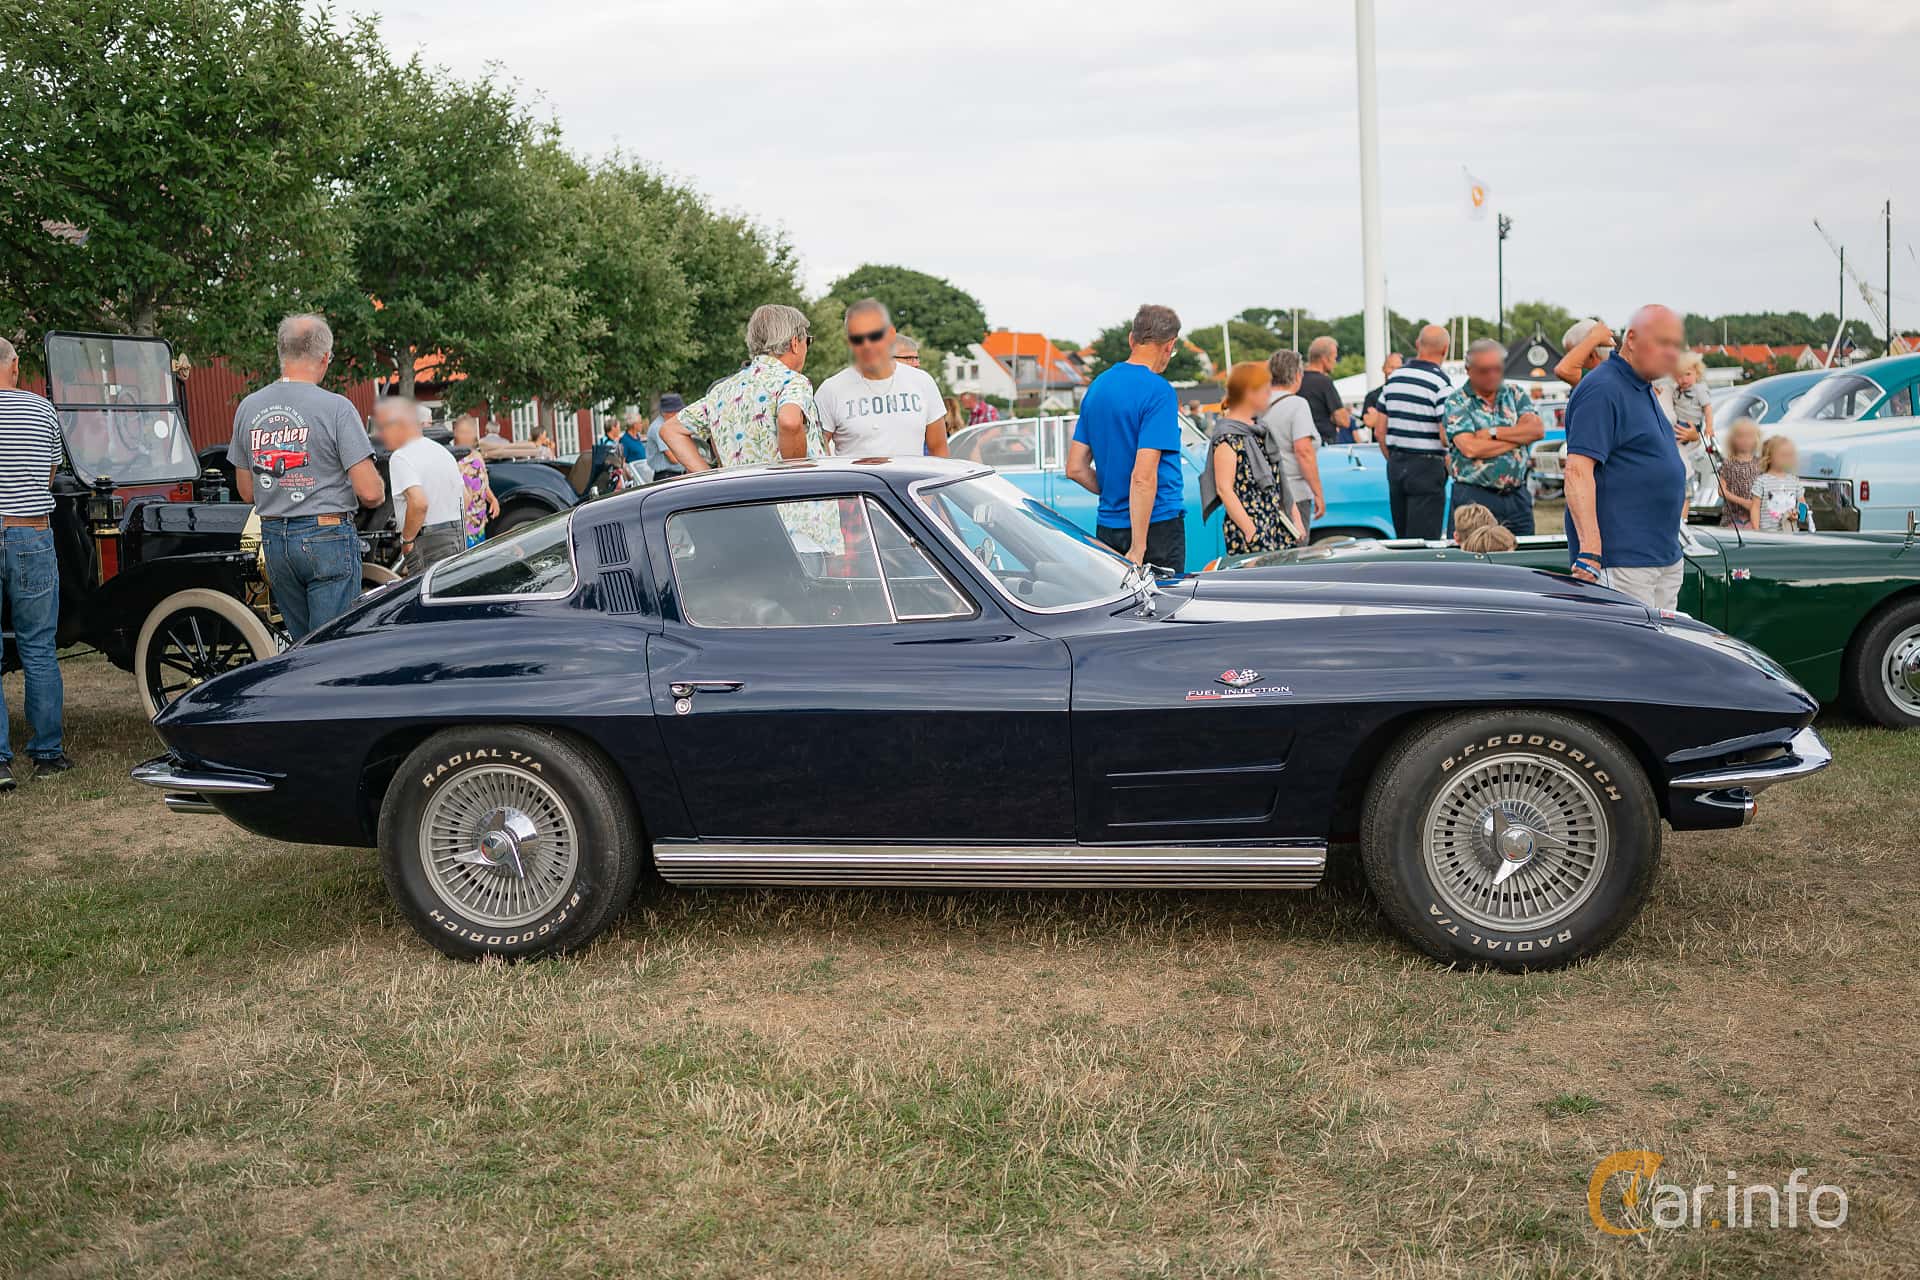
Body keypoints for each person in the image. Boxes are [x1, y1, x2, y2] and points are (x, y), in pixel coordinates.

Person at [228, 314, 384, 639]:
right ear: (325, 357)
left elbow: (246, 491)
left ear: (281, 352)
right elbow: (370, 493)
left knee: (303, 648)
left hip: (273, 539)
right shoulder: (337, 407)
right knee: (332, 648)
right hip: (325, 535)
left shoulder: (248, 407)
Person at [1564, 304, 1689, 609]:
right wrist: (1591, 549)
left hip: (1661, 555)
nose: (1671, 353)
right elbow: (1578, 471)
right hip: (1622, 561)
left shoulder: (1642, 386)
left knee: (1659, 653)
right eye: (1662, 343)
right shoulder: (1603, 388)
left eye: (1675, 345)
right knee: (1631, 654)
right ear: (1631, 339)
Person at [1064, 304, 1185, 569]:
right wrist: (1139, 547)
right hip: (1154, 528)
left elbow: (1075, 468)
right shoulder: (1159, 392)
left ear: (1132, 339)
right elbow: (1143, 476)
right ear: (1169, 345)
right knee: (1162, 607)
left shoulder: (1097, 387)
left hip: (1108, 525)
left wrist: (1112, 490)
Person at [0, 337, 71, 786]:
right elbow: (50, 472)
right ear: (14, 365)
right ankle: (47, 754)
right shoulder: (41, 410)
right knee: (39, 648)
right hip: (32, 533)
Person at [662, 303, 820, 471]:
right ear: (795, 343)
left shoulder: (721, 391)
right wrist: (798, 474)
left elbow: (671, 430)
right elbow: (789, 421)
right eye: (807, 341)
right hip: (791, 495)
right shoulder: (792, 382)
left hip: (740, 496)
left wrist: (710, 479)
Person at [815, 299, 950, 458]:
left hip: (912, 482)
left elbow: (939, 451)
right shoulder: (831, 389)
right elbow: (817, 455)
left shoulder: (922, 382)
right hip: (857, 483)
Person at [1443, 338, 1546, 535]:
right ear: (1469, 370)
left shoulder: (1515, 394)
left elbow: (1536, 431)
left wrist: (1493, 433)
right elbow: (1470, 448)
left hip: (1517, 496)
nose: (1492, 375)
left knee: (1522, 559)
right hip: (1474, 498)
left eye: (1497, 369)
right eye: (1484, 370)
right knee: (1473, 560)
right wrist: (1518, 439)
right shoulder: (1456, 402)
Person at [1204, 361, 1295, 555]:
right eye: (1264, 390)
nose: (1269, 394)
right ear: (1249, 393)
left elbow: (1280, 480)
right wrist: (1251, 532)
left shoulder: (1260, 431)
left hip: (1274, 525)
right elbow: (1224, 489)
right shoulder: (1228, 436)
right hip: (1250, 531)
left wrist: (1294, 517)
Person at [374, 397, 465, 577]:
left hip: (428, 539)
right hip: (456, 533)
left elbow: (419, 503)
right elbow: (465, 496)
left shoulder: (401, 457)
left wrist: (406, 541)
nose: (381, 435)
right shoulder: (441, 451)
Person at [1378, 324, 1454, 539]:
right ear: (1445, 349)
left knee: (1403, 539)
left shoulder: (1394, 379)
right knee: (1424, 541)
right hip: (1427, 467)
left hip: (1397, 465)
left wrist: (1394, 459)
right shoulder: (1440, 383)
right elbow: (1444, 435)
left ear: (1418, 345)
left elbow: (1379, 431)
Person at [1262, 349, 1324, 539]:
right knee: (1296, 554)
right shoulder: (1297, 404)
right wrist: (1318, 493)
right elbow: (1303, 451)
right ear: (1297, 375)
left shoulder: (1258, 404)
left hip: (1264, 492)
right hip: (1294, 493)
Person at [1660, 352, 1716, 506]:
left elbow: (1708, 409)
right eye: (1679, 376)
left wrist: (1709, 427)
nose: (1683, 379)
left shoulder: (1699, 389)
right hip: (1680, 424)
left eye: (1688, 374)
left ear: (1697, 373)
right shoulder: (1676, 389)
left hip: (1690, 425)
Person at [449, 415, 500, 547]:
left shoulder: (478, 456)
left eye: (468, 432)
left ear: (474, 434)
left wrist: (493, 499)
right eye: (462, 432)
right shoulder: (452, 459)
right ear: (455, 433)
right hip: (462, 524)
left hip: (479, 521)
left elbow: (484, 484)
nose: (465, 436)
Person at [1299, 336, 1350, 444]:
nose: (1335, 362)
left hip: (1301, 440)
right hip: (1323, 442)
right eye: (1334, 358)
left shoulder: (1297, 379)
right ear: (1324, 358)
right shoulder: (1324, 382)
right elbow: (1344, 421)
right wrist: (1332, 417)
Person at [1753, 436, 1807, 533]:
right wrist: (1756, 532)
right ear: (1769, 458)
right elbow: (1755, 508)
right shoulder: (1761, 481)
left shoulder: (1795, 481)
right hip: (1767, 534)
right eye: (1783, 455)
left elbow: (1802, 505)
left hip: (1791, 534)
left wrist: (1799, 516)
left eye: (1790, 455)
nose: (1787, 458)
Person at [1717, 417, 1762, 529]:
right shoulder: (1728, 463)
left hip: (1755, 518)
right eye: (1740, 436)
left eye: (1749, 436)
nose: (1745, 440)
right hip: (1732, 518)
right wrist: (1744, 502)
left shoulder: (1760, 463)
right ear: (1732, 439)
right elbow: (1721, 490)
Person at [1554, 317, 1616, 388]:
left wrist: (1595, 338)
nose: (1567, 359)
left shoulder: (1595, 378)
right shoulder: (1618, 374)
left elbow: (1563, 371)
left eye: (1573, 354)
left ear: (1591, 355)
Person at [1359, 351, 1402, 442]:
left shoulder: (1409, 394)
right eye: (1391, 367)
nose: (1394, 371)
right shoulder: (1372, 396)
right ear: (1383, 369)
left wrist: (1379, 418)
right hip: (1379, 449)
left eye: (1398, 368)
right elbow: (1369, 422)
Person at [647, 394, 687, 480]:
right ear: (670, 412)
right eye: (678, 411)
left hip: (672, 474)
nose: (679, 414)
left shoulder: (667, 425)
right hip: (666, 476)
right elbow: (672, 458)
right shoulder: (659, 428)